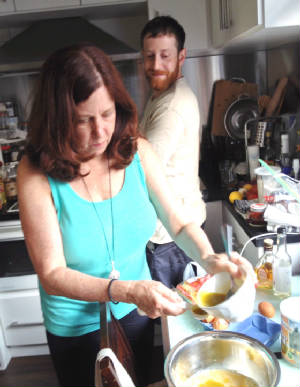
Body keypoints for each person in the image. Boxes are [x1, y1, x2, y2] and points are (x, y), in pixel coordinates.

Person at [17, 43, 253, 387]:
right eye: (83, 120)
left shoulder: (137, 150)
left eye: (108, 114)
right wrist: (127, 290)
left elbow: (179, 221)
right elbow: (52, 273)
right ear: (57, 119)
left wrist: (210, 257)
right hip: (75, 326)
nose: (100, 132)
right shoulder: (35, 172)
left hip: (134, 311)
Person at [139, 16, 207, 288]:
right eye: (149, 56)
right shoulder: (163, 95)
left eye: (165, 56)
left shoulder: (171, 106)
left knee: (174, 321)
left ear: (182, 56)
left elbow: (142, 169)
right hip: (177, 232)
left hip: (170, 239)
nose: (156, 65)